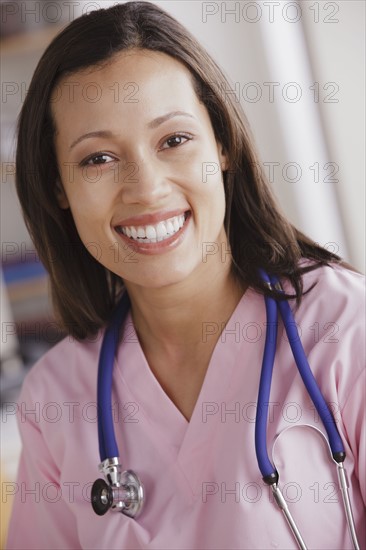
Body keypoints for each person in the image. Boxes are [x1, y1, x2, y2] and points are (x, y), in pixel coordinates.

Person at [6, 2, 365, 549]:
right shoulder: (56, 399)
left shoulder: (344, 329)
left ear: (221, 143)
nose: (146, 188)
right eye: (98, 159)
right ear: (58, 187)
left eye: (174, 140)